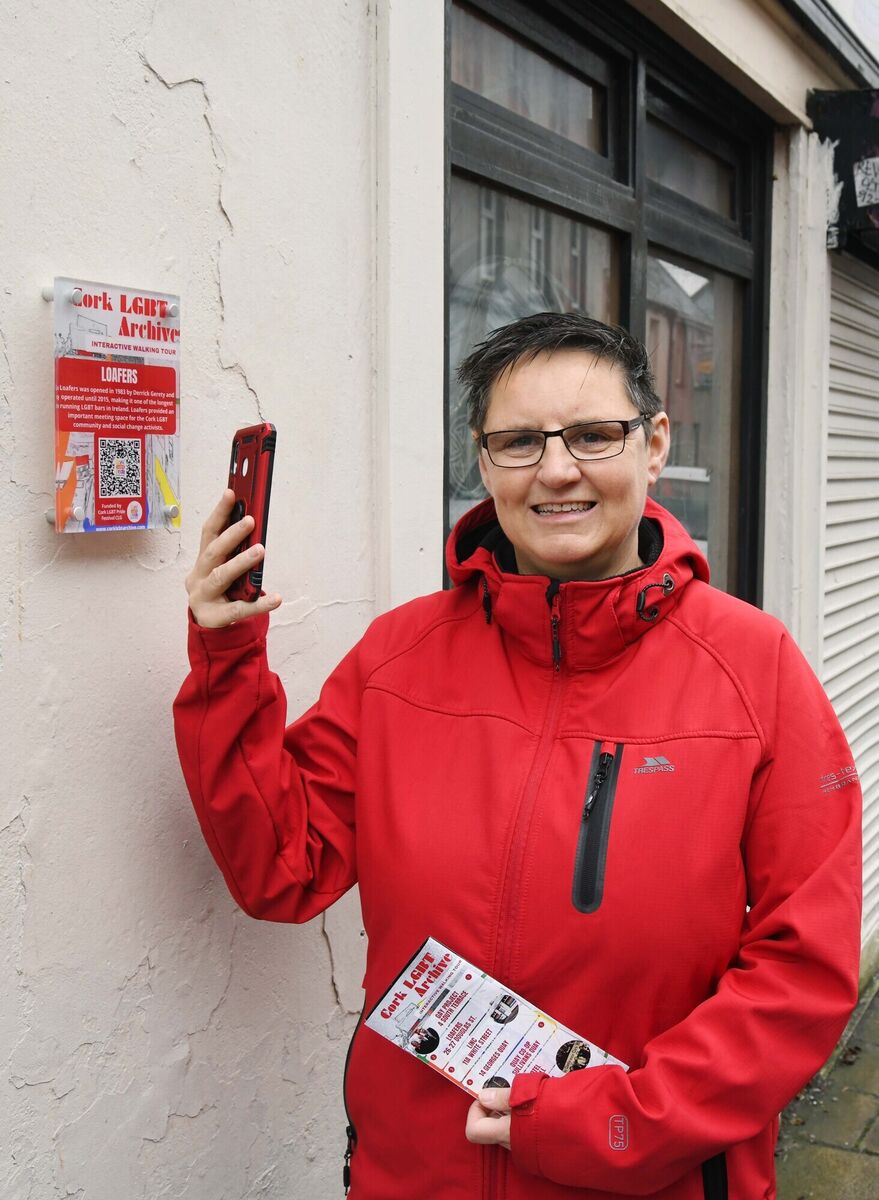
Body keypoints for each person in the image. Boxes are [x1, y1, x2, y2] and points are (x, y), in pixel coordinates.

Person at [174, 312, 862, 1200]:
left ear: (652, 445)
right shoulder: (398, 658)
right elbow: (281, 868)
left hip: (650, 1179)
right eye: (518, 442)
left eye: (592, 435)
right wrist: (226, 662)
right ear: (481, 458)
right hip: (413, 1174)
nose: (557, 469)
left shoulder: (754, 670)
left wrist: (614, 1122)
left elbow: (800, 973)